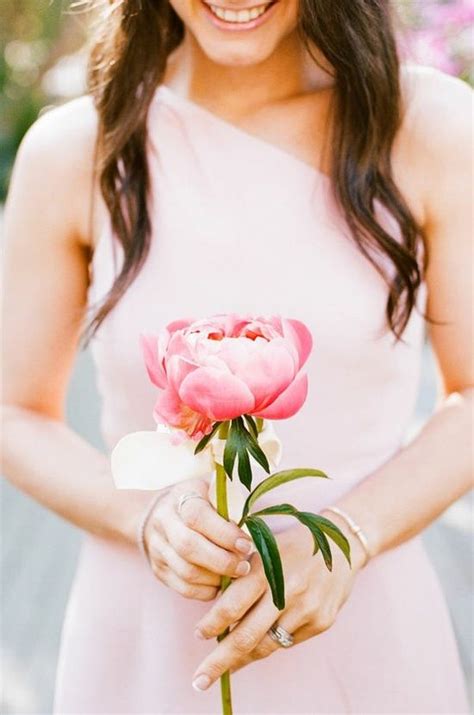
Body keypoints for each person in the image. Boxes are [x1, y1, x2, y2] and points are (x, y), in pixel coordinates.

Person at [2, 0, 472, 712]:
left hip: (367, 637)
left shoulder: (427, 128)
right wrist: (144, 515)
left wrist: (348, 536)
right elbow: (13, 410)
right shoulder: (77, 148)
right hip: (145, 642)